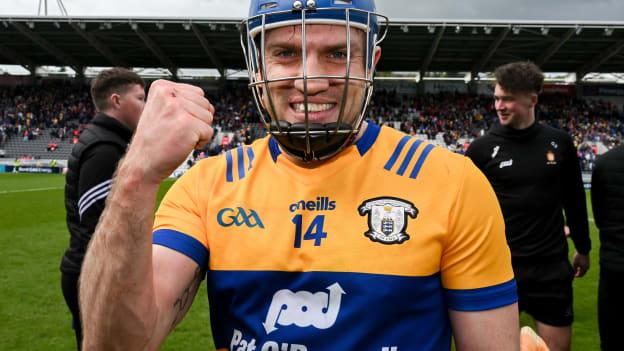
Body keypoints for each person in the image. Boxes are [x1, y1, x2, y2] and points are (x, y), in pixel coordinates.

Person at [79, 1, 520, 350]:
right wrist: (137, 176)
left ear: (371, 63)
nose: (310, 80)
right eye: (286, 53)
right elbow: (115, 346)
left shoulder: (452, 182)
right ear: (257, 65)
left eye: (337, 54)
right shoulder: (208, 184)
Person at [466, 61, 591, 351]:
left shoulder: (559, 143)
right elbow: (465, 212)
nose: (499, 105)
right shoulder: (481, 149)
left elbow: (574, 200)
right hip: (499, 268)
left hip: (551, 269)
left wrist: (583, 249)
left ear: (532, 99)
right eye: (497, 97)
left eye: (508, 98)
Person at [60, 67, 146, 350]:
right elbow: (99, 227)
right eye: (140, 98)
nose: (146, 107)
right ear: (117, 101)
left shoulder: (108, 140)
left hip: (93, 272)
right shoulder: (104, 149)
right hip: (93, 275)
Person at [591, 144, 624, 351]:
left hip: (614, 265)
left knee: (612, 339)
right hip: (614, 263)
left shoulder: (604, 162)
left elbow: (600, 216)